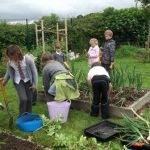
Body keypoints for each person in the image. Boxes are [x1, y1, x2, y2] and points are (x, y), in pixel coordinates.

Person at [3, 45, 38, 116]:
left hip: (28, 81)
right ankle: (21, 116)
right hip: (18, 81)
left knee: (29, 99)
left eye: (12, 56)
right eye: (10, 56)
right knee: (23, 99)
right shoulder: (10, 62)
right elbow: (8, 73)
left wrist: (34, 85)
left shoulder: (28, 59)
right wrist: (3, 83)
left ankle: (28, 115)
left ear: (17, 53)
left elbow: (34, 73)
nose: (11, 58)